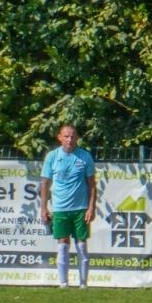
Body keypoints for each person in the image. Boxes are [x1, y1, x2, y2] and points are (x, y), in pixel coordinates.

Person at [39, 123, 97, 288]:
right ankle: (63, 283)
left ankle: (83, 284)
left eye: (72, 136)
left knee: (82, 245)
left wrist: (91, 207)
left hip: (80, 209)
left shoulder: (85, 156)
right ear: (59, 137)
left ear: (77, 138)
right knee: (63, 245)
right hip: (59, 208)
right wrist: (43, 208)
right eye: (66, 136)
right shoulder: (52, 156)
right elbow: (45, 183)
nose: (69, 139)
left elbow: (92, 184)